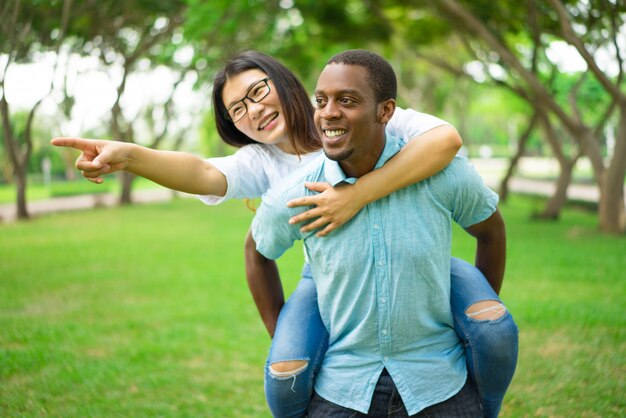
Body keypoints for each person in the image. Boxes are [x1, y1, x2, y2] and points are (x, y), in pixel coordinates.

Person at [50, 50, 517, 417]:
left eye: (257, 92)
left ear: (285, 84)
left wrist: (354, 195)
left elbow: (445, 142)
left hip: (420, 256)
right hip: (326, 277)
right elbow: (200, 172)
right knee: (284, 372)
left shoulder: (363, 110)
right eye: (237, 110)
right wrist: (129, 155)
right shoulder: (265, 163)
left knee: (494, 332)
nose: (252, 111)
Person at [250, 49, 511, 417]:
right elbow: (258, 251)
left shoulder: (443, 175)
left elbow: (491, 230)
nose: (328, 113)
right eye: (321, 100)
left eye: (347, 100)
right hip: (340, 391)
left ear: (385, 111)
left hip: (440, 385)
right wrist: (284, 335)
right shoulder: (297, 194)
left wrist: (469, 316)